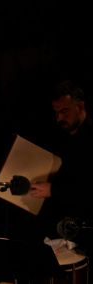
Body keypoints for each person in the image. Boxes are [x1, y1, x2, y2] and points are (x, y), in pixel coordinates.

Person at [29, 80, 93, 251]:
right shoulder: (61, 138)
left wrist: (53, 190)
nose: (59, 118)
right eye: (56, 113)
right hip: (60, 227)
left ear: (80, 107)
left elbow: (89, 189)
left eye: (64, 111)